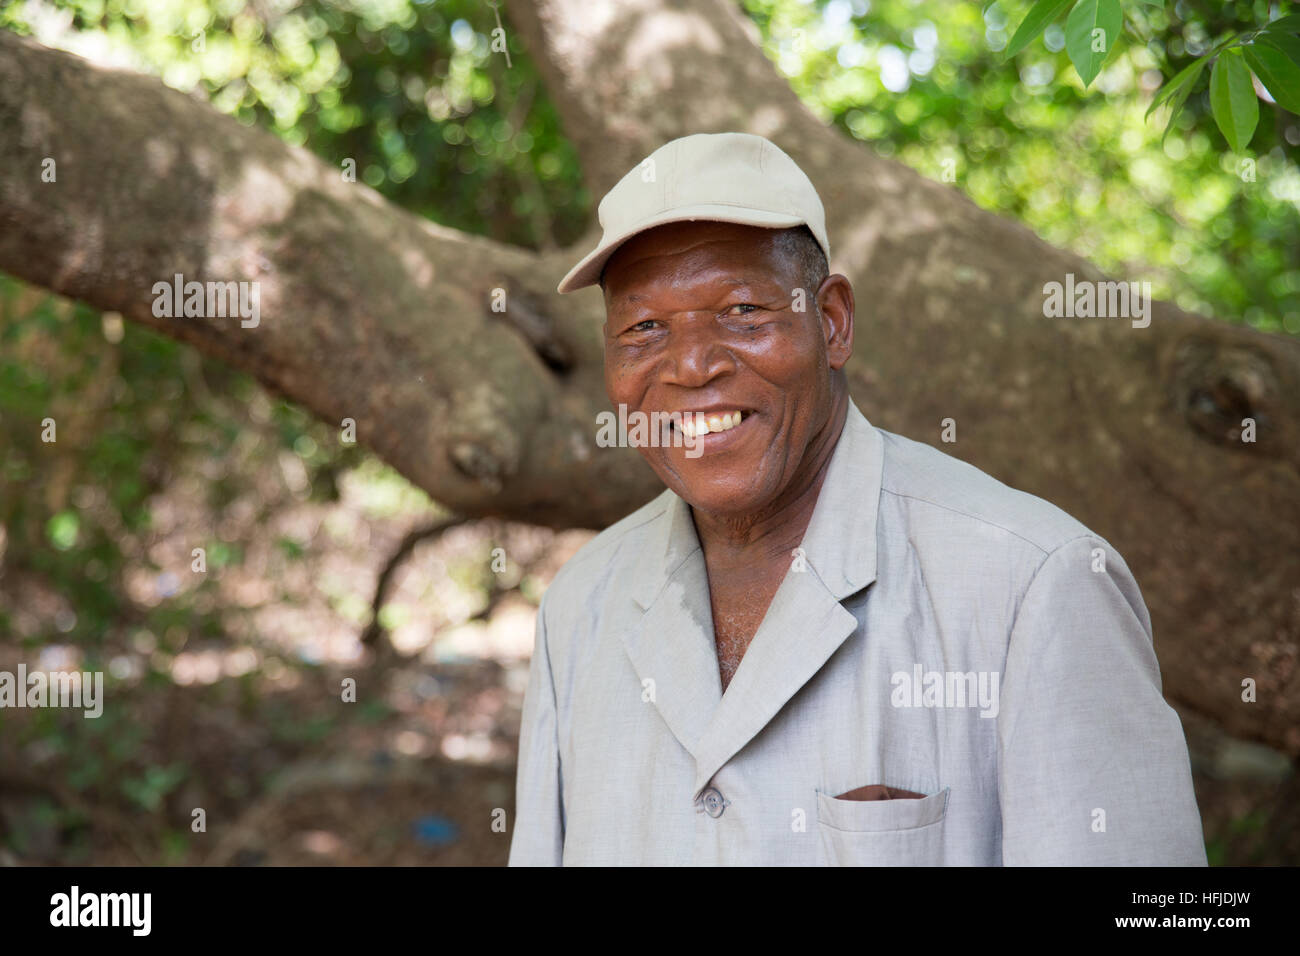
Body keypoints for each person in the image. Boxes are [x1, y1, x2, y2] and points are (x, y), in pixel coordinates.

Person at [507, 131, 1206, 865]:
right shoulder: (580, 607)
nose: (691, 364)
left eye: (742, 309)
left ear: (832, 321)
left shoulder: (1035, 585)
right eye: (644, 327)